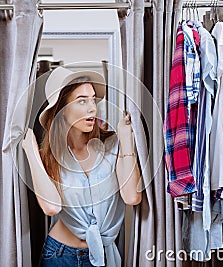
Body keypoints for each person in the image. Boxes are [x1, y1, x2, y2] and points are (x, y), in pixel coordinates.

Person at [22, 66, 141, 267]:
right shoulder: (51, 158)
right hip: (59, 255)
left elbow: (132, 196)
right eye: (82, 101)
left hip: (104, 255)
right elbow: (51, 207)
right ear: (61, 110)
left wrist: (126, 138)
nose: (92, 108)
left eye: (93, 99)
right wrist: (31, 150)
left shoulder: (113, 144)